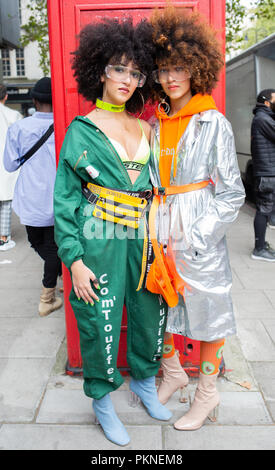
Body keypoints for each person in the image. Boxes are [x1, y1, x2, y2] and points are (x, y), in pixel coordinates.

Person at [53, 18, 171, 447]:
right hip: (98, 236)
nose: (127, 79)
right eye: (119, 69)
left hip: (142, 238)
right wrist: (75, 259)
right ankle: (102, 400)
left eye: (136, 72)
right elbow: (65, 199)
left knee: (147, 313)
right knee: (100, 320)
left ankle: (142, 382)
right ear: (100, 70)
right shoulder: (81, 130)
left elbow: (158, 187)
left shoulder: (145, 127)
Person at [145, 6, 245, 431]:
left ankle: (206, 393)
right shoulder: (154, 123)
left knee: (208, 311)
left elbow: (232, 193)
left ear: (196, 67)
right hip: (159, 226)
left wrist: (200, 234)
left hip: (196, 228)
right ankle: (172, 373)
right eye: (164, 69)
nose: (171, 77)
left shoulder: (213, 123)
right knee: (160, 305)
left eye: (179, 67)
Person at [3, 77, 62, 316]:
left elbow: (10, 165)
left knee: (40, 244)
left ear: (34, 101)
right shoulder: (67, 126)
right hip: (59, 199)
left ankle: (46, 298)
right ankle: (58, 273)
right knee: (53, 249)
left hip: (30, 199)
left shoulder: (19, 128)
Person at [250, 88, 275, 261]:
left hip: (267, 170)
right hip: (267, 172)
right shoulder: (262, 119)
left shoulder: (264, 118)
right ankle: (259, 249)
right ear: (267, 102)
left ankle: (261, 244)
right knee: (263, 209)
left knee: (266, 209)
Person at [0, 84, 22, 251]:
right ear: (6, 96)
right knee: (6, 201)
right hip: (7, 163)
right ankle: (3, 237)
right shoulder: (13, 115)